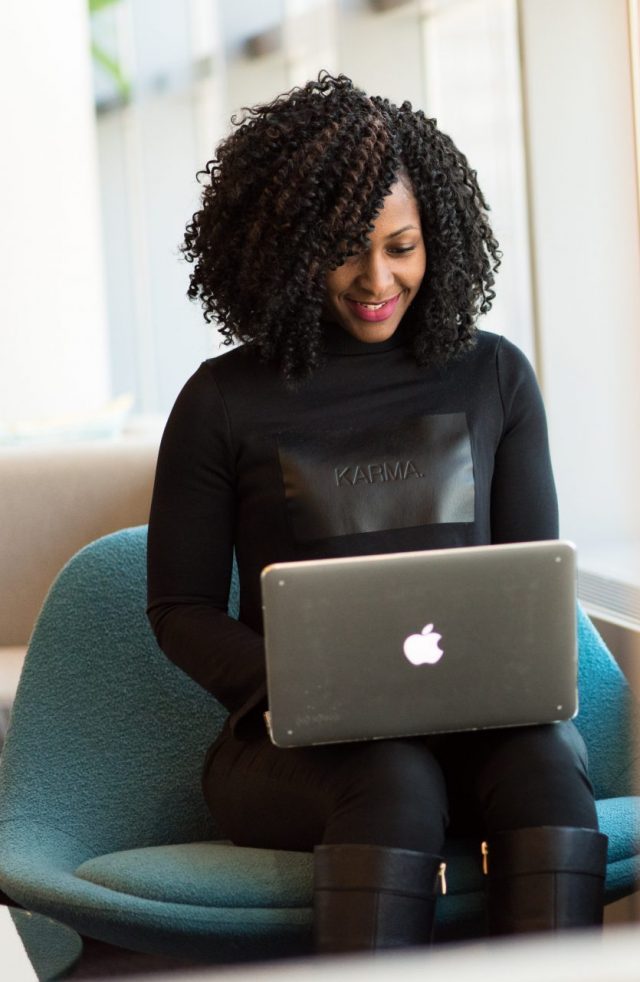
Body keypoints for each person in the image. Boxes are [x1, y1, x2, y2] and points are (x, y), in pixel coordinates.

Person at [146, 72, 607, 954]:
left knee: (547, 769)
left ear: (440, 236)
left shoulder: (495, 377)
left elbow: (527, 584)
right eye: (345, 249)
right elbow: (181, 612)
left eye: (403, 246)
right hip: (297, 750)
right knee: (394, 777)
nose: (376, 279)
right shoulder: (220, 401)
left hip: (481, 731)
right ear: (285, 247)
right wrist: (316, 689)